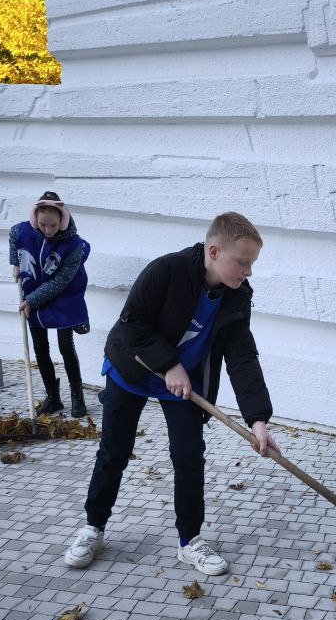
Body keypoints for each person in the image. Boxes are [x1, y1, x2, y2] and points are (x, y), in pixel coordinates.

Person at [68, 211, 280, 575]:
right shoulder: (167, 270)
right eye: (242, 262)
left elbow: (242, 355)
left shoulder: (236, 296)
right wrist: (169, 364)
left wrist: (258, 419)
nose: (248, 272)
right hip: (131, 370)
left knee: (189, 457)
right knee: (114, 451)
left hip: (182, 387)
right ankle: (93, 528)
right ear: (214, 251)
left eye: (251, 264)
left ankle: (190, 541)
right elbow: (132, 323)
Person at [8, 190, 90, 419]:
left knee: (65, 346)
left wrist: (31, 301)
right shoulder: (24, 230)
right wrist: (15, 263)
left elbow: (61, 281)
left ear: (62, 221)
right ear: (35, 219)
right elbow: (13, 235)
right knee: (40, 348)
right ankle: (53, 398)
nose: (47, 230)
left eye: (53, 225)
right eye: (43, 225)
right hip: (33, 291)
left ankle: (77, 398)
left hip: (64, 298)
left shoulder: (75, 245)